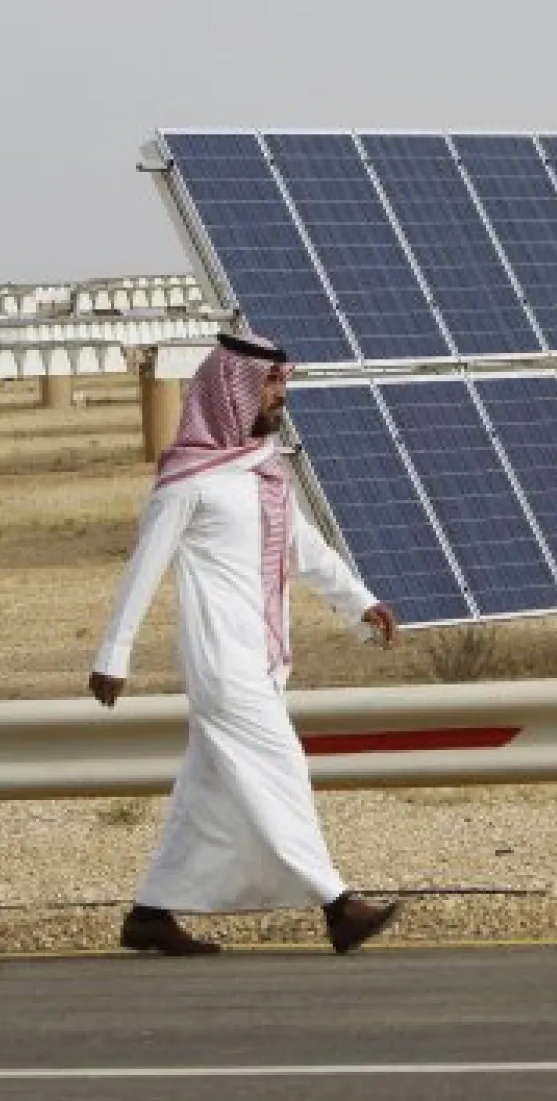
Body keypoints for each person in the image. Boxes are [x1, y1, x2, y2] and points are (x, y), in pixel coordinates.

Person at [89, 331, 401, 956]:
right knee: (279, 767)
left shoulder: (264, 471)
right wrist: (113, 655)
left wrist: (359, 602)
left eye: (282, 383)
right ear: (233, 392)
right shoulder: (189, 480)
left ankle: (150, 914)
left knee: (208, 790)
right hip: (220, 661)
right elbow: (143, 569)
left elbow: (304, 551)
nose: (280, 395)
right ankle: (339, 906)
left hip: (263, 659)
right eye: (271, 384)